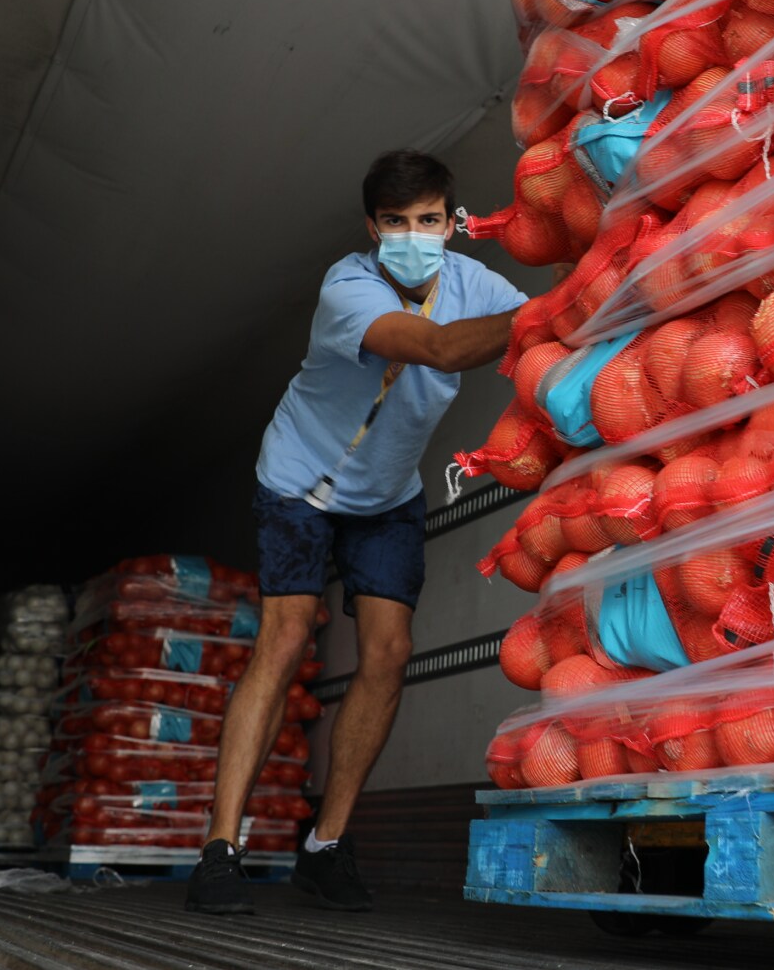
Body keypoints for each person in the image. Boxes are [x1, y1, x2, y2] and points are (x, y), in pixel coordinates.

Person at [185, 151, 528, 914]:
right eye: (397, 222)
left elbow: (536, 339)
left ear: (451, 221)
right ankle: (219, 851)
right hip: (299, 480)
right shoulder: (348, 287)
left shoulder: (479, 286)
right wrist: (560, 308)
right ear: (374, 227)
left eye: (429, 220)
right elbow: (439, 348)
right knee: (285, 637)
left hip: (387, 494)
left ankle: (326, 845)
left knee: (390, 651)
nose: (414, 235)